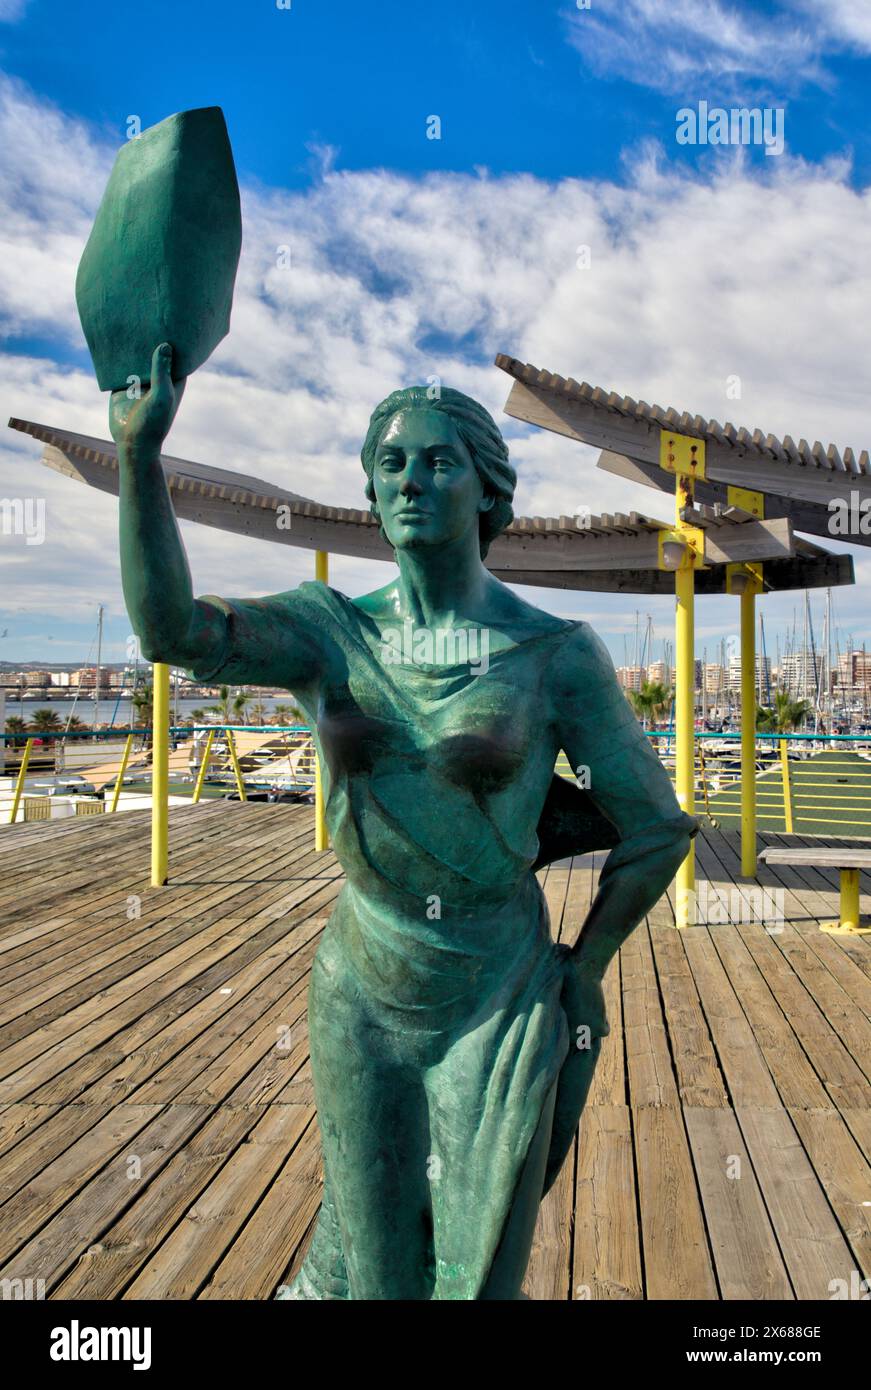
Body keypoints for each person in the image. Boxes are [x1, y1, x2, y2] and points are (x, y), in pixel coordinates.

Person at [111, 343, 695, 1300]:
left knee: (482, 1272)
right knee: (380, 1274)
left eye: (438, 460)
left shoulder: (554, 654)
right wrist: (140, 458)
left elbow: (656, 828)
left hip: (497, 990)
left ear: (486, 488)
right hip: (362, 987)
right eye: (390, 464)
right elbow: (172, 632)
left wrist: (581, 970)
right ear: (371, 495)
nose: (411, 481)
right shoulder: (325, 629)